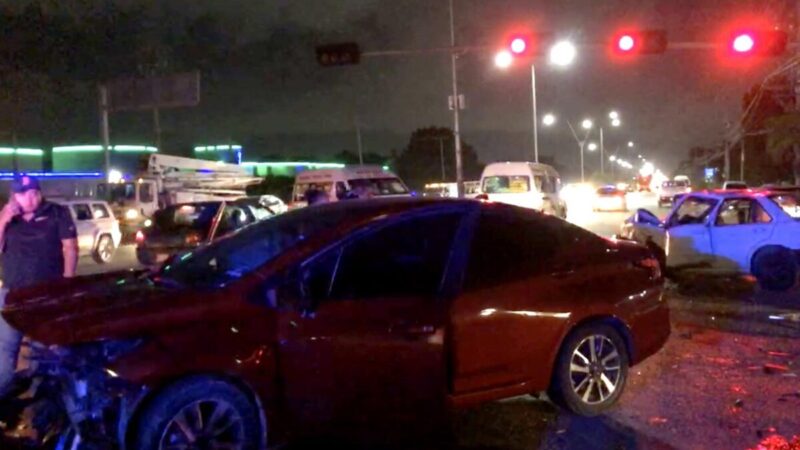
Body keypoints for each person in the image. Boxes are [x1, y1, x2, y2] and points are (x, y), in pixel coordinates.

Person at [0, 176, 78, 396]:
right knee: (5, 351)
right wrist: (4, 219)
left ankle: (40, 403)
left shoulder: (56, 213)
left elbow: (70, 248)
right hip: (12, 294)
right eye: (23, 194)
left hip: (46, 294)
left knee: (42, 350)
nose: (30, 198)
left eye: (34, 193)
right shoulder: (7, 217)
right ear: (14, 197)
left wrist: (67, 281)